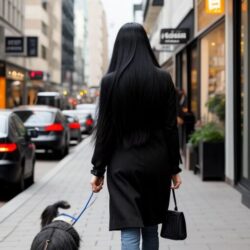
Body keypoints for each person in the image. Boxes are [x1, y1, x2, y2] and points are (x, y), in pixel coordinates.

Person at [90, 23, 182, 250]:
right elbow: (171, 129)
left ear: (118, 47)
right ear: (146, 45)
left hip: (123, 166)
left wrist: (97, 170)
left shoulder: (110, 81)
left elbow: (105, 132)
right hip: (157, 164)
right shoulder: (163, 79)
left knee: (130, 230)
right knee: (151, 227)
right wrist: (174, 168)